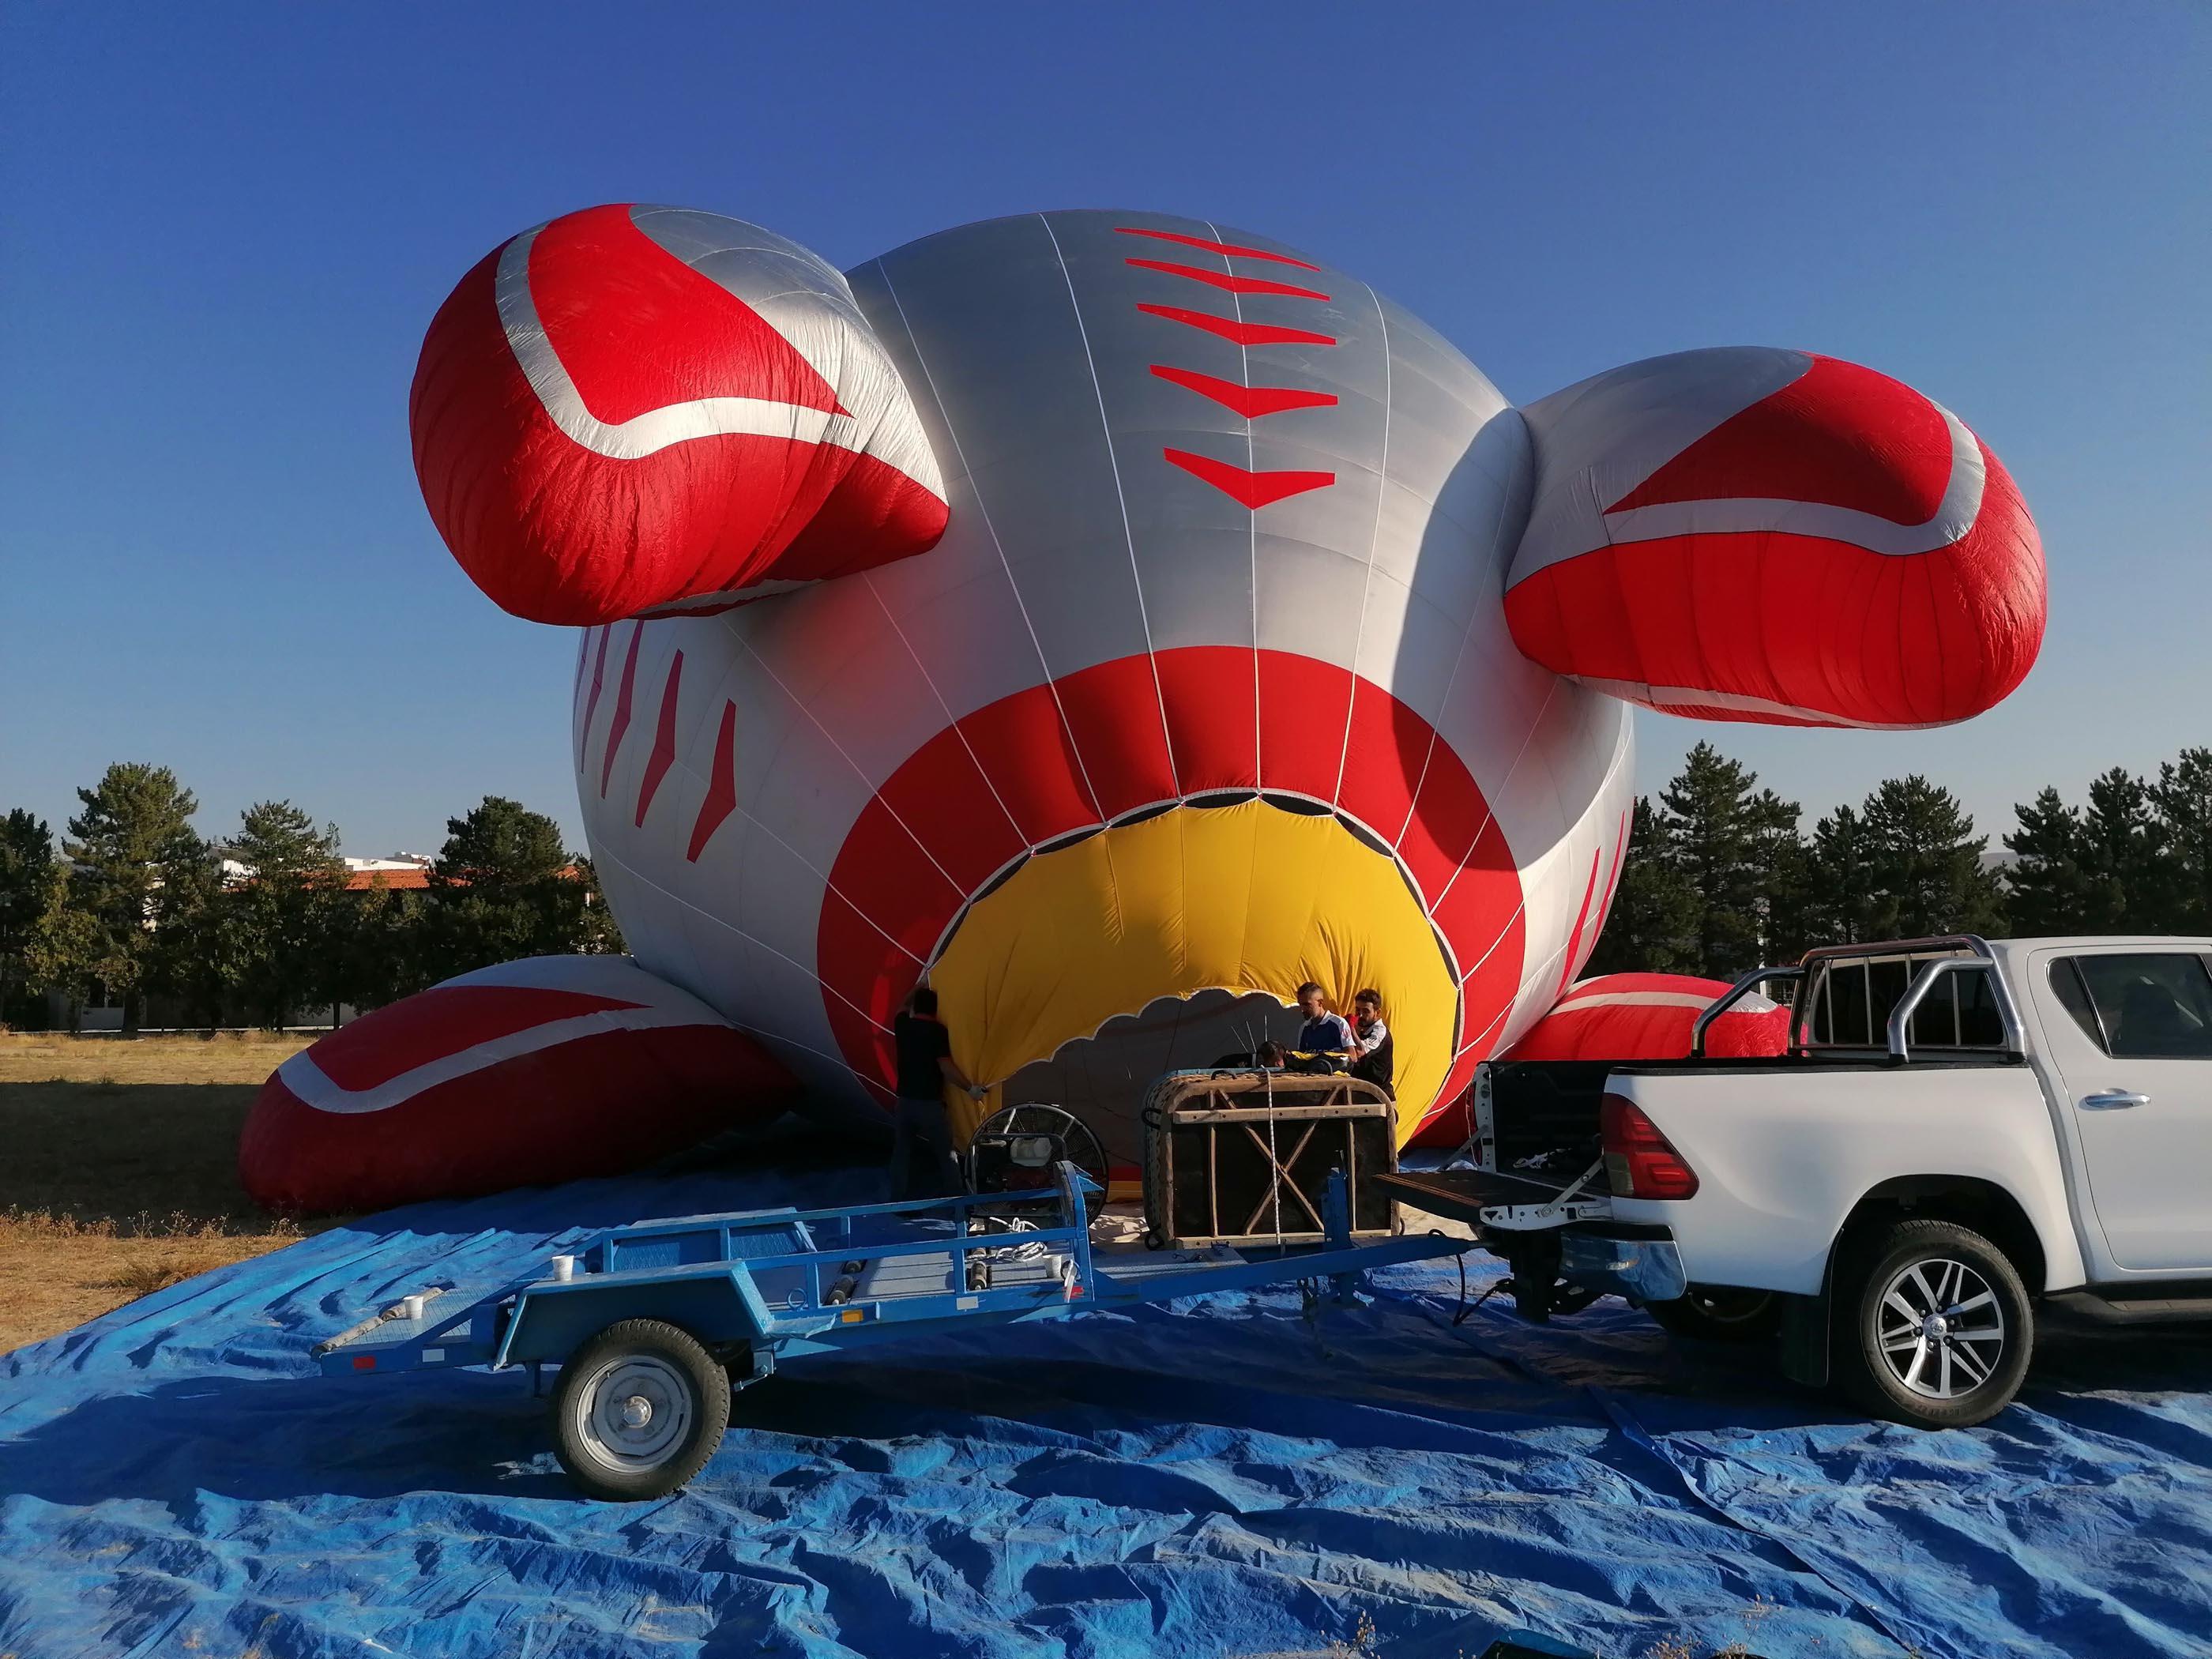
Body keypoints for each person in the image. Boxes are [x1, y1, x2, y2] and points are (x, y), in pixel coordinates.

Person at [890, 986, 985, 1200]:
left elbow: (901, 1007)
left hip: (904, 1102)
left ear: (916, 1007)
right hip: (930, 1105)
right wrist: (970, 1088)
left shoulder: (903, 1025)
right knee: (946, 1155)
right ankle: (957, 1201)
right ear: (936, 1009)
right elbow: (946, 1067)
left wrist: (916, 987)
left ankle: (897, 1201)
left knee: (902, 1154)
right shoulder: (938, 1032)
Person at [1293, 983, 1355, 1065]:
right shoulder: (1304, 1027)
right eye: (1300, 1004)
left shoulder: (1339, 1023)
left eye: (1307, 1005)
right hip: (1311, 1075)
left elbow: (1353, 1057)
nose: (1302, 1009)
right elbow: (1301, 1057)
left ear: (1320, 1003)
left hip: (1334, 1076)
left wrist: (1328, 1059)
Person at [1348, 988, 1394, 1095]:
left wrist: (1351, 1029)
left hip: (1380, 1094)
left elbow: (1360, 1052)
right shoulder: (1363, 1028)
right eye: (1358, 1010)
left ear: (1377, 1012)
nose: (1360, 1015)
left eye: (1366, 1011)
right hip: (1363, 1090)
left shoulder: (1379, 1031)